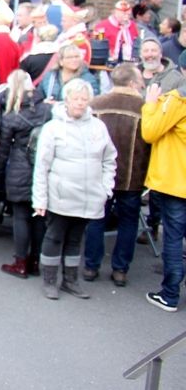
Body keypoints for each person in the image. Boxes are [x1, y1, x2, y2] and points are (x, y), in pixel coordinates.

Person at [32, 79, 116, 299]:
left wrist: (106, 188)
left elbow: (110, 159)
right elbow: (42, 166)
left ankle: (70, 280)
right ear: (66, 99)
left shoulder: (98, 127)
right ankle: (49, 280)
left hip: (89, 196)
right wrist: (39, 200)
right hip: (60, 195)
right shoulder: (53, 128)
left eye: (84, 99)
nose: (80, 103)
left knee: (76, 239)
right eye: (76, 98)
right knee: (55, 236)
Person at [84, 64, 149, 287]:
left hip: (99, 173)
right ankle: (120, 269)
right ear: (132, 82)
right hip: (132, 176)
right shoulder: (144, 108)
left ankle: (91, 265)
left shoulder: (96, 104)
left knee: (96, 218)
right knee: (128, 222)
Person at [0, 70, 53, 279]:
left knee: (21, 216)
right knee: (39, 217)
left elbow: (2, 152)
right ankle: (35, 261)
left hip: (19, 168)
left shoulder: (11, 116)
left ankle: (20, 261)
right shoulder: (47, 110)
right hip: (44, 169)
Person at [141, 81, 186, 311]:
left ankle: (170, 294)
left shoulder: (178, 99)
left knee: (174, 238)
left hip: (177, 181)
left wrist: (149, 105)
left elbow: (149, 132)